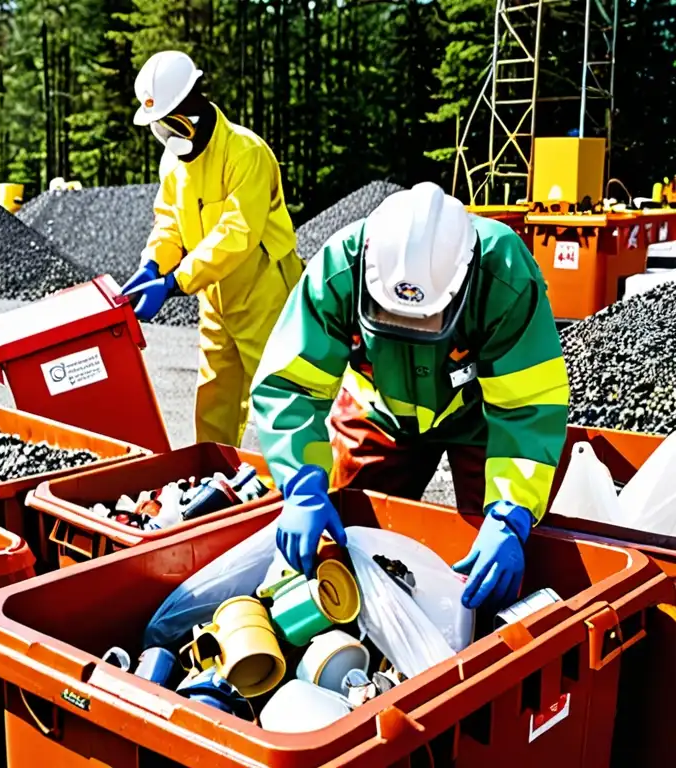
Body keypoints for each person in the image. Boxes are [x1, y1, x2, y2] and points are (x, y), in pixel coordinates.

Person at [250, 182, 570, 610]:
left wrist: (510, 514)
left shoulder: (504, 273)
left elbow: (527, 406)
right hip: (377, 412)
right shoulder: (339, 268)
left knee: (491, 566)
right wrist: (301, 481)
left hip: (480, 423)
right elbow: (291, 385)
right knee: (346, 547)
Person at [122, 51, 303, 447]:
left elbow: (237, 233)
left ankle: (307, 492)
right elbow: (169, 222)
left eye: (170, 121)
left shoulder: (245, 153)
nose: (166, 134)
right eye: (158, 126)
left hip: (265, 292)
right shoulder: (173, 164)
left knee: (282, 397)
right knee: (214, 402)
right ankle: (216, 480)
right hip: (214, 298)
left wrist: (173, 283)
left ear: (193, 104)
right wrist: (153, 263)